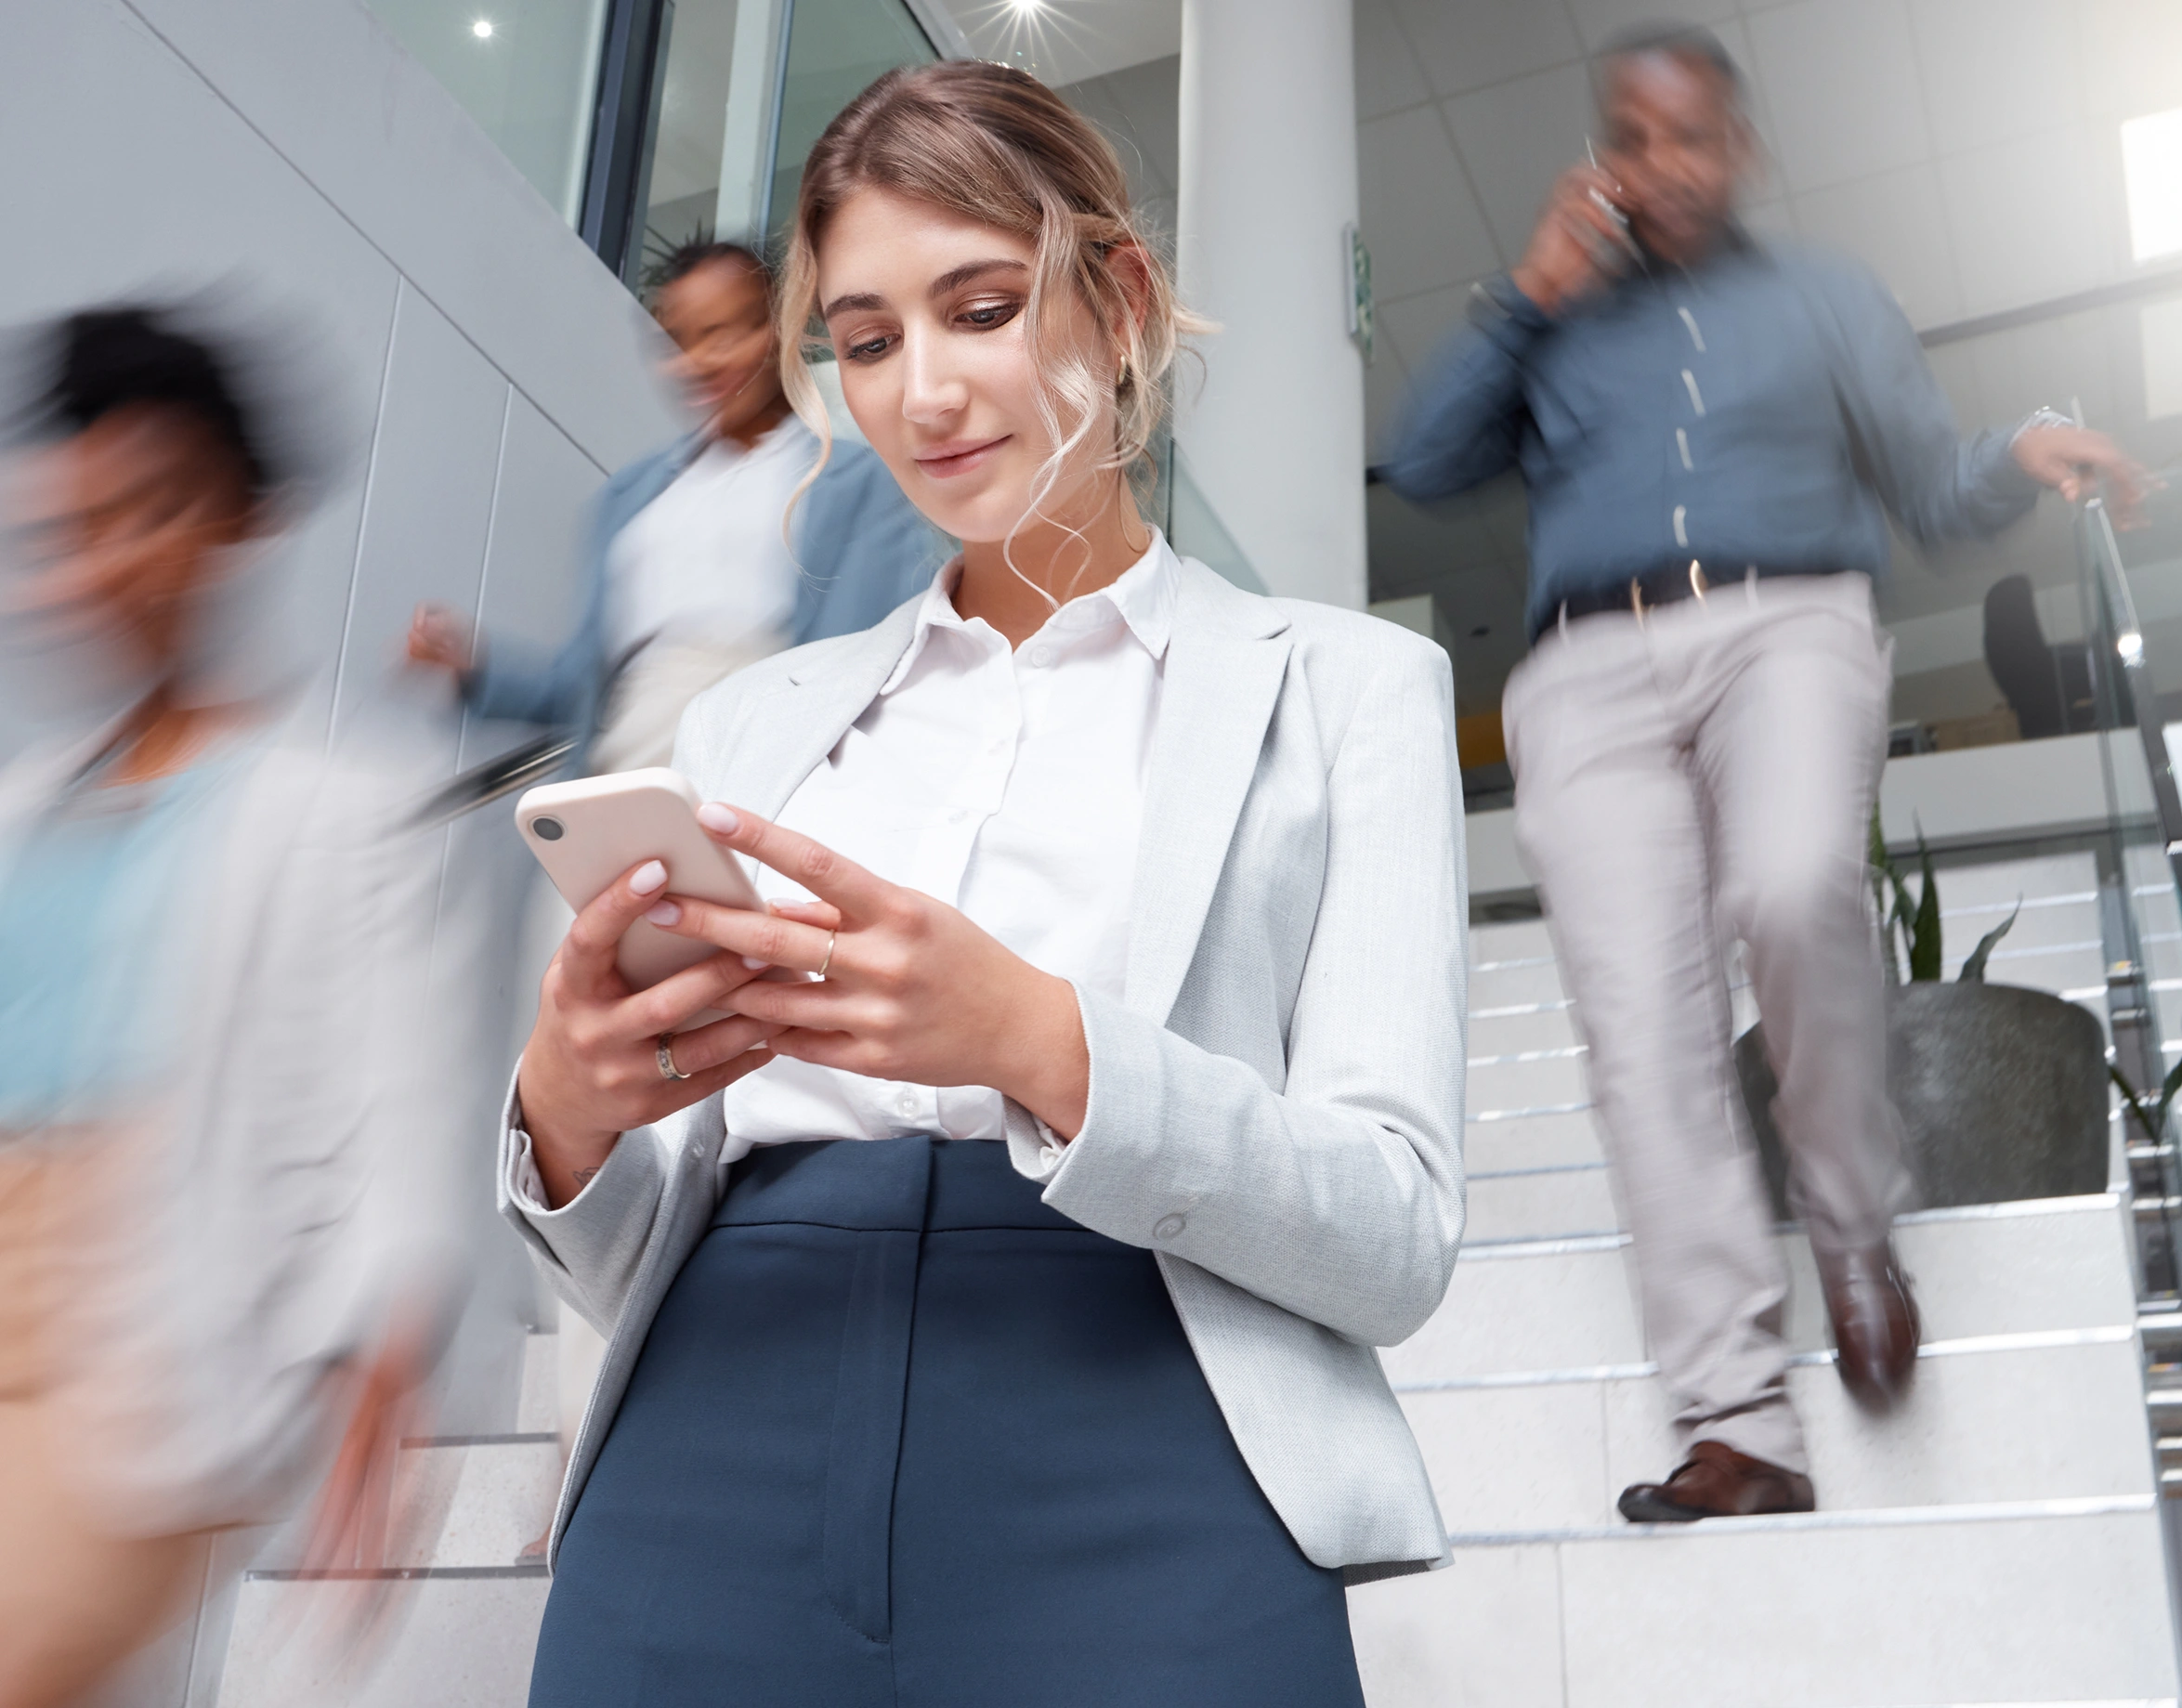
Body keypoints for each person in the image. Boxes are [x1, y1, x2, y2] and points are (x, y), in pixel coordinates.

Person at [499, 59, 1467, 1707]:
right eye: (866, 339)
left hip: (1145, 1430)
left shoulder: (1342, 687)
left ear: (1120, 294)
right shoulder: (750, 719)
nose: (923, 391)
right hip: (714, 1422)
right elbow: (611, 1255)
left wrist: (1034, 1036)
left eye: (981, 305)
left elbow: (1393, 1234)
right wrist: (569, 1108)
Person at [1383, 23, 2147, 1524]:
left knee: (1793, 883)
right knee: (1637, 1034)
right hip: (1579, 673)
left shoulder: (1828, 297)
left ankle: (1850, 1222)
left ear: (1739, 147)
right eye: (1628, 136)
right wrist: (1521, 294)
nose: (1658, 166)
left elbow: (1927, 484)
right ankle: (1737, 1422)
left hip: (1784, 622)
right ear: (1597, 149)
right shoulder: (1545, 317)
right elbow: (1418, 459)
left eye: (1688, 137)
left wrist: (2018, 444)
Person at [0, 306, 464, 1705]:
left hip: (139, 1329)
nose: (103, 562)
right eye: (74, 526)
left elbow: (410, 1113)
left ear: (238, 520)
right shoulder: (23, 802)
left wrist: (381, 1373)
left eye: (149, 511)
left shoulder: (347, 813)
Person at [406, 240, 942, 775]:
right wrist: (474, 671)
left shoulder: (853, 483)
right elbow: (582, 689)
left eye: (723, 334)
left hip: (752, 780)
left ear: (778, 331)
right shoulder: (631, 501)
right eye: (677, 342)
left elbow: (858, 667)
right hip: (619, 779)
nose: (698, 363)